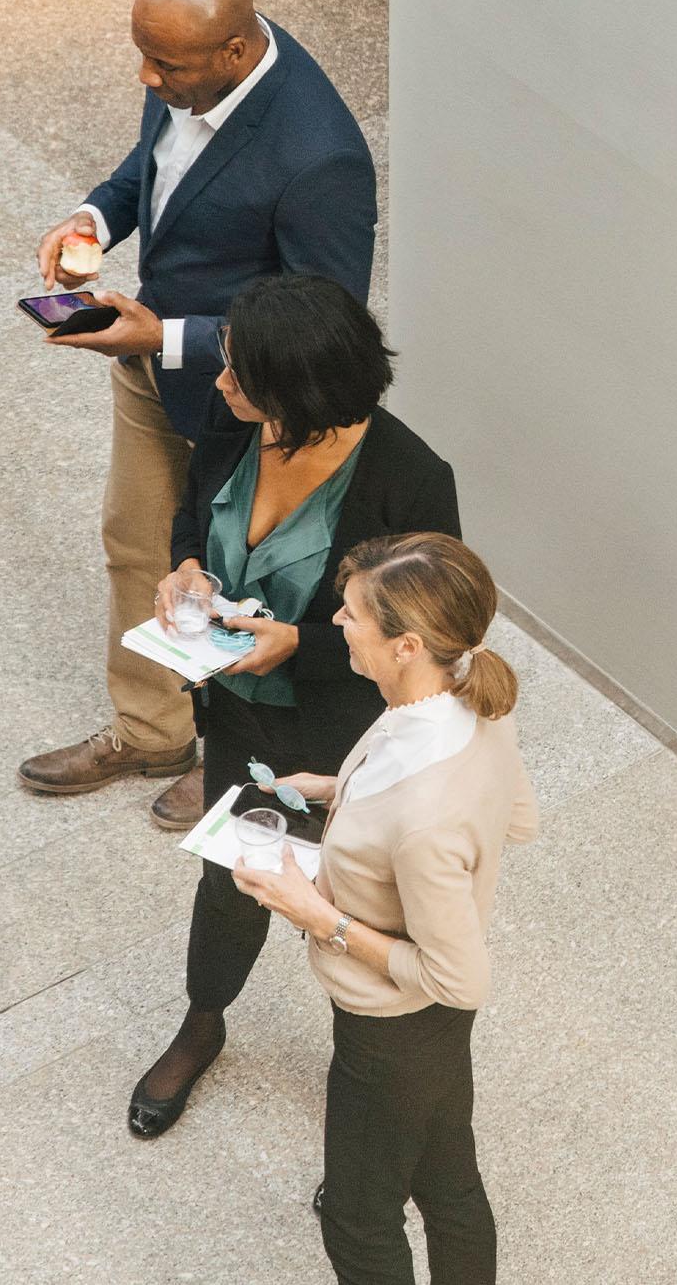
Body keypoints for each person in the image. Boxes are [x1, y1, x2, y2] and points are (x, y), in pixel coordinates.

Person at [17, 0, 377, 823]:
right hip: (158, 369)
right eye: (145, 56)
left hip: (251, 402)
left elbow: (323, 326)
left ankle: (237, 761)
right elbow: (155, 165)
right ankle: (151, 731)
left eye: (164, 66)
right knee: (139, 544)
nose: (146, 76)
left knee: (243, 584)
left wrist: (166, 333)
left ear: (235, 49)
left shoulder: (319, 159)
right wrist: (98, 215)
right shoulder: (187, 66)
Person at [125, 275, 461, 1139]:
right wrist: (187, 566)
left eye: (239, 373)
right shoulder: (236, 427)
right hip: (240, 714)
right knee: (231, 877)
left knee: (357, 920)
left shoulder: (409, 480)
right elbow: (194, 513)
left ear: (299, 391)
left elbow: (427, 639)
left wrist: (300, 645)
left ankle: (370, 1104)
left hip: (342, 740)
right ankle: (205, 1019)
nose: (220, 383)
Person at [231, 534, 537, 1285]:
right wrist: (345, 790)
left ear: (404, 644)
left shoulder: (425, 816)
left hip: (391, 1030)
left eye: (354, 614)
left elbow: (458, 978)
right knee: (445, 1180)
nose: (335, 619)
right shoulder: (464, 688)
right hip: (425, 1034)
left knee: (357, 1219)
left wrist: (313, 910)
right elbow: (517, 814)